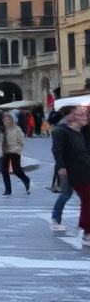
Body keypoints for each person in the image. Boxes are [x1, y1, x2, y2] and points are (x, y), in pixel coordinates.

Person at [50, 105, 90, 248]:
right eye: (82, 115)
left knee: (85, 200)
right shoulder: (61, 131)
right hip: (73, 171)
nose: (86, 117)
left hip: (84, 169)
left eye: (86, 115)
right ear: (72, 116)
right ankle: (86, 232)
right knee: (71, 195)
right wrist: (61, 167)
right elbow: (57, 150)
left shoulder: (80, 132)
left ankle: (86, 231)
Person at [0, 111, 31, 198]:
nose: (7, 121)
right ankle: (8, 190)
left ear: (13, 120)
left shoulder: (17, 129)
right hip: (5, 151)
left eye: (9, 119)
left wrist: (16, 150)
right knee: (4, 171)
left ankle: (26, 179)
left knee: (16, 170)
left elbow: (22, 142)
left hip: (15, 151)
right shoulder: (2, 130)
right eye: (5, 120)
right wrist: (0, 153)